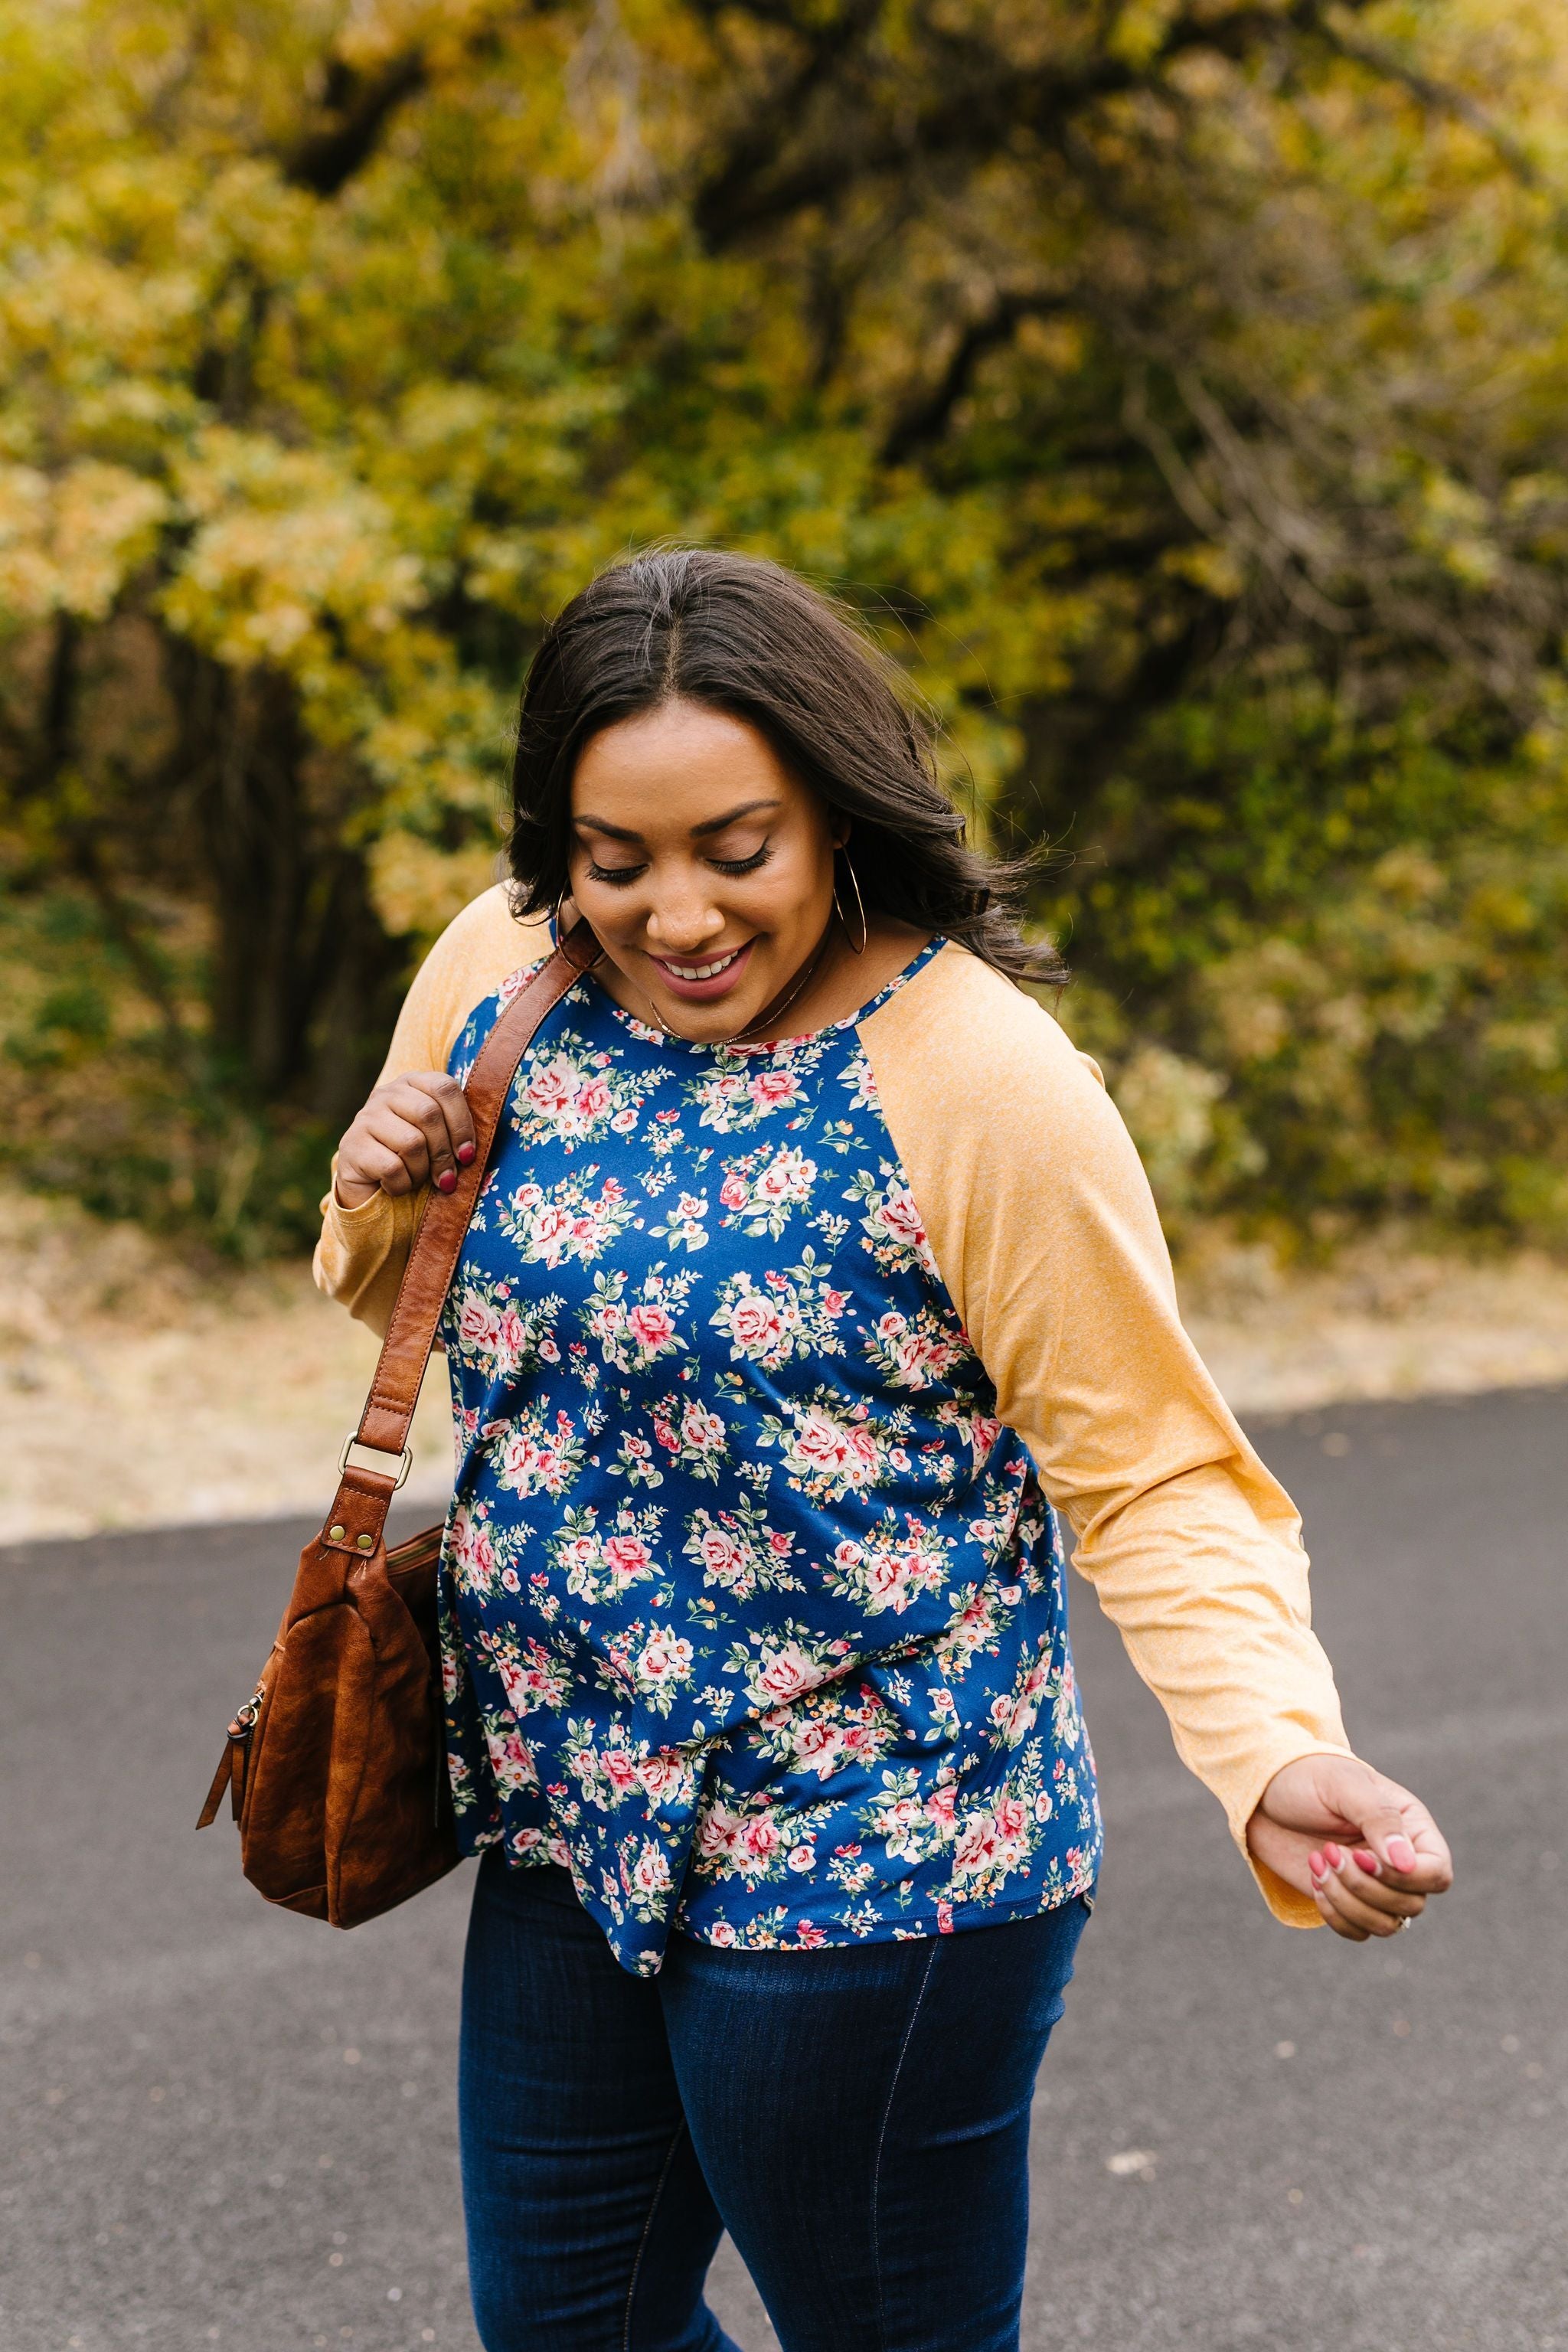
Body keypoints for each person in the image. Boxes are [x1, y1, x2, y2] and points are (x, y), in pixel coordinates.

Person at [315, 547, 1452, 2352]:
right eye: (616, 862)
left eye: (732, 849)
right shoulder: (501, 971)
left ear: (835, 813)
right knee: (566, 2333)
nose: (672, 912)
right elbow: (398, 1292)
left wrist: (1273, 1753)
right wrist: (375, 1187)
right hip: (567, 1809)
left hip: (872, 1845)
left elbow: (1148, 1466)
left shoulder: (979, 1080)